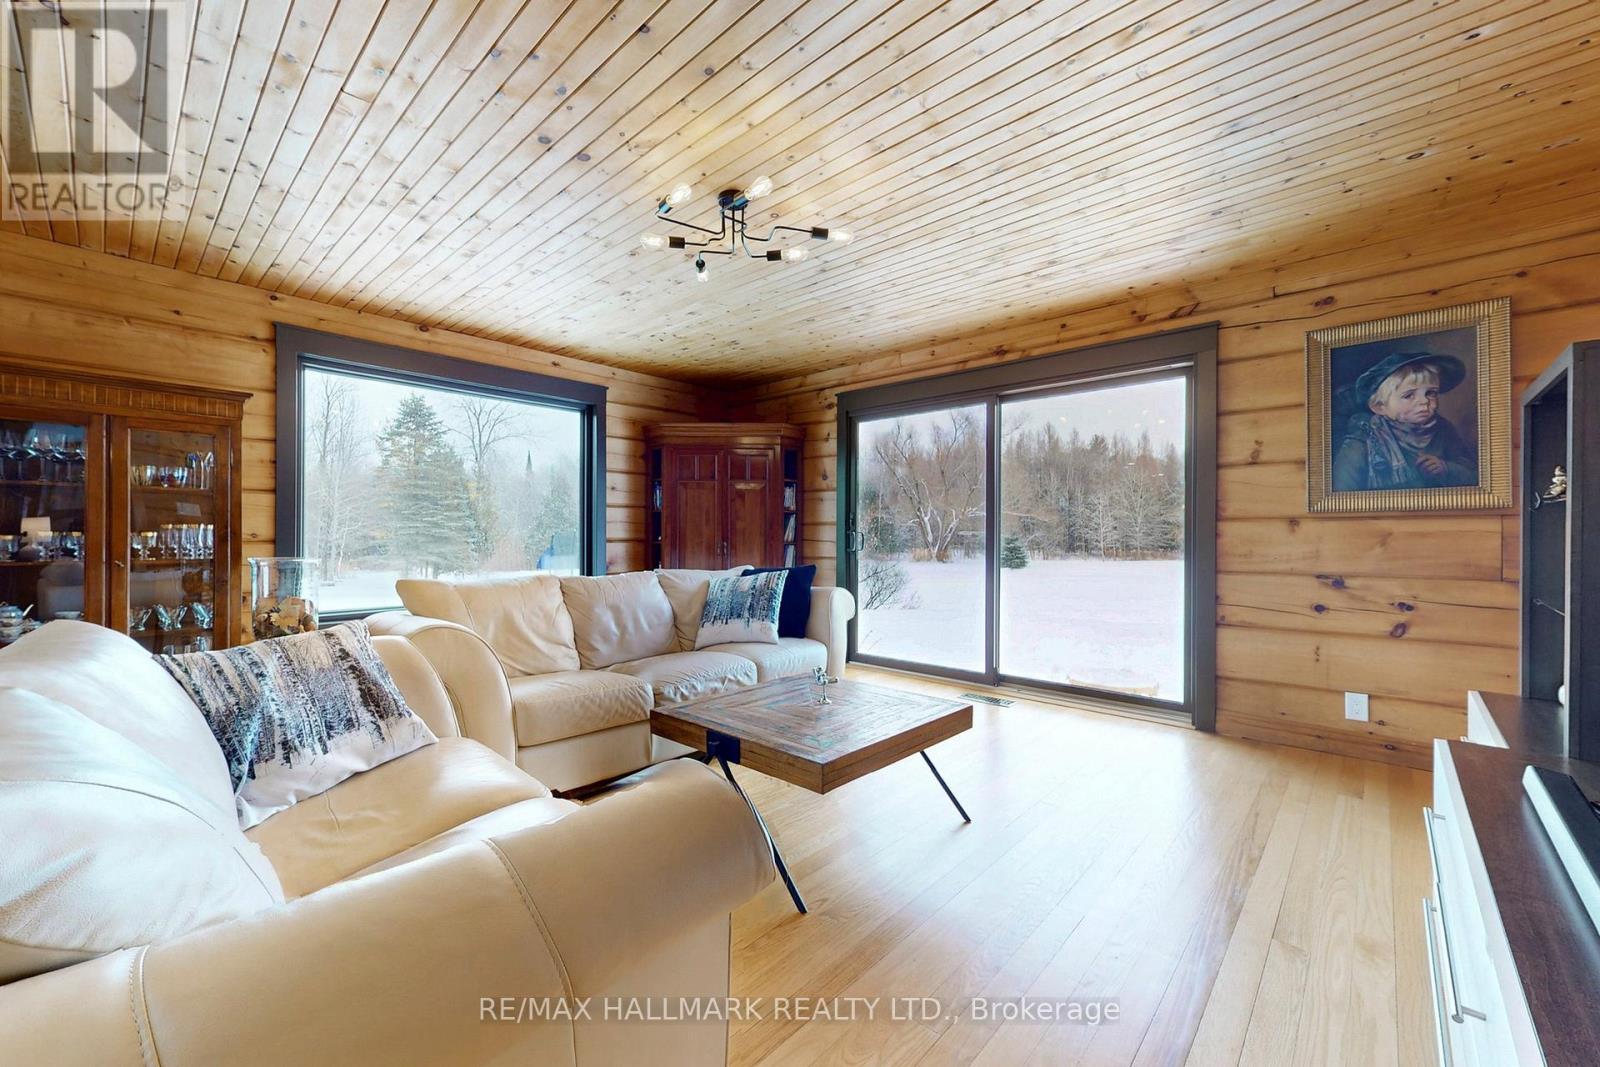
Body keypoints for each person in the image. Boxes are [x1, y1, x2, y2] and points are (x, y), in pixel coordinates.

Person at [1331, 351, 1477, 492]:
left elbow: (1474, 475)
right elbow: (1342, 490)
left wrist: (1446, 468)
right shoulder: (1362, 440)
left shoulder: (1443, 430)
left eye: (1430, 393)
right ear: (1380, 407)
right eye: (1409, 395)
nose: (1424, 401)